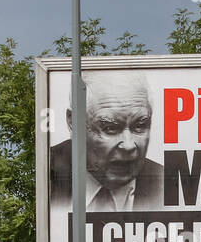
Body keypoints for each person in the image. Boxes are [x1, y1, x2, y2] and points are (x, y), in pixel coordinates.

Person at [50, 71, 163, 211]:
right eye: (110, 128)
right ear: (74, 122)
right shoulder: (46, 172)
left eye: (140, 126)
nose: (128, 145)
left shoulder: (167, 183)